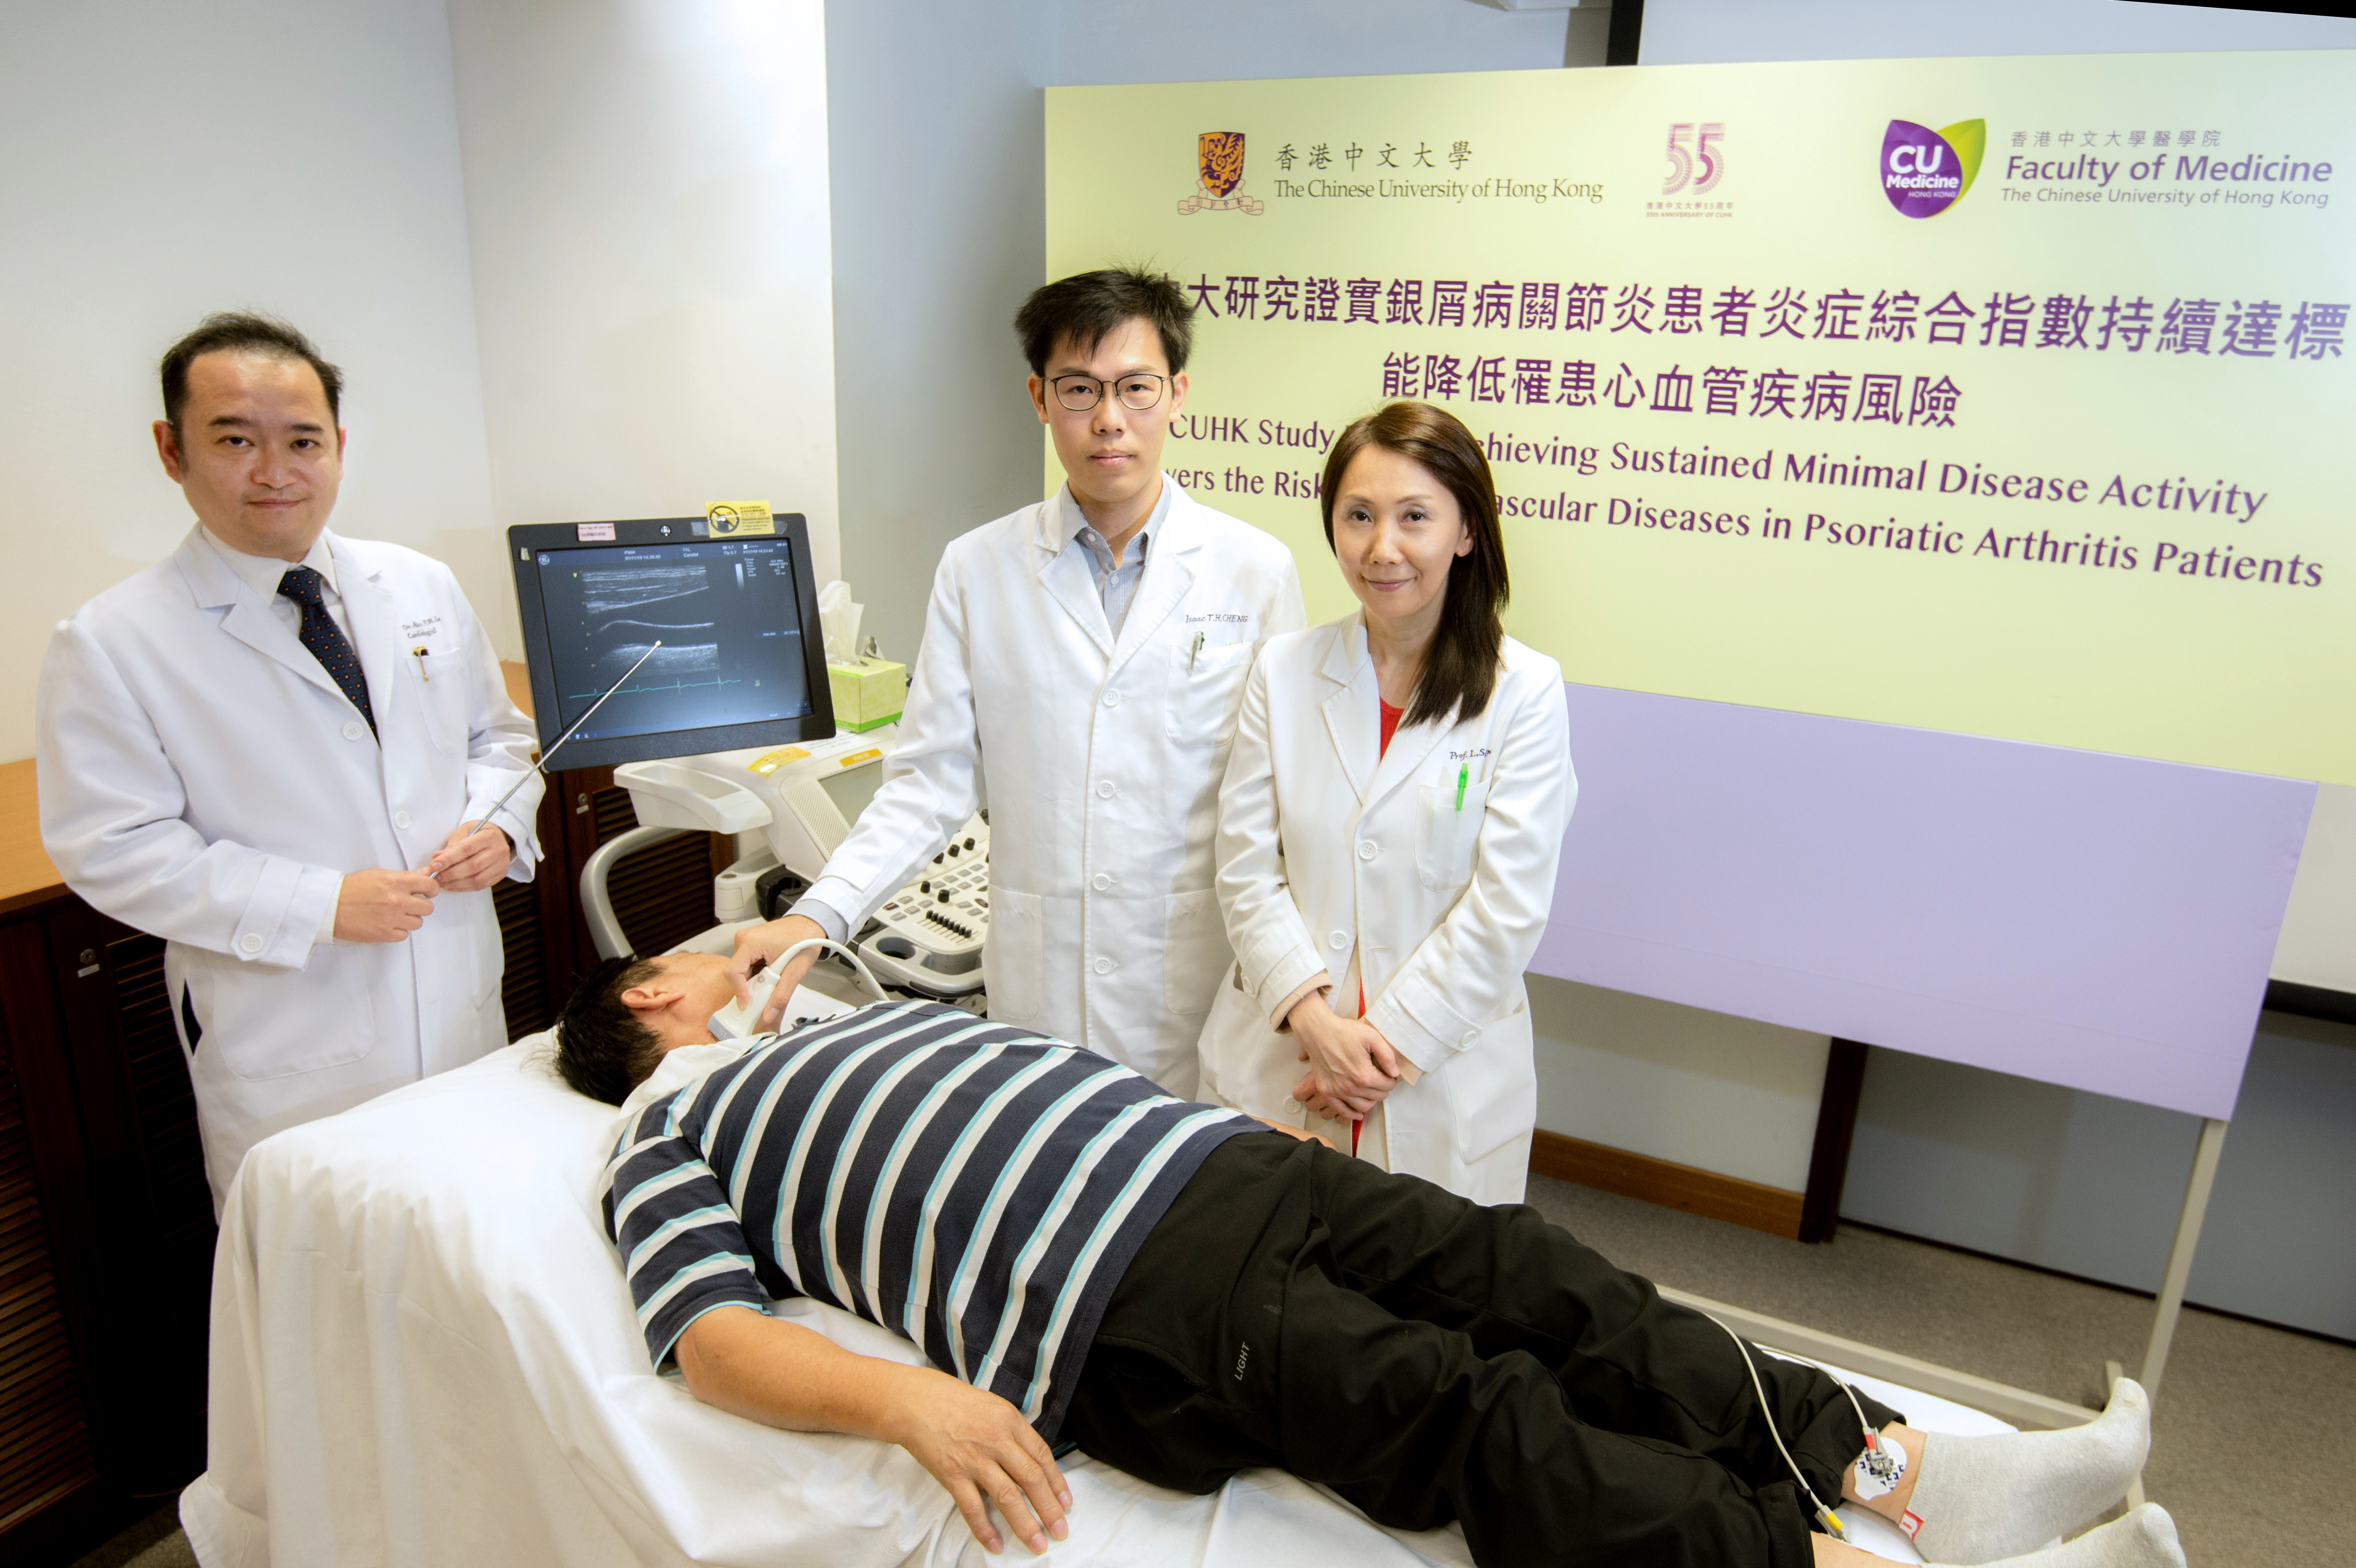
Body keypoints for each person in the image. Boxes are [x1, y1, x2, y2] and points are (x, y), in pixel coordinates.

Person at [558, 952, 2184, 1568]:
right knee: (1467, 1412)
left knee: (1553, 1285)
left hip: (1222, 1166)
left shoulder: (844, 1014)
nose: (741, 953)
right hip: (1125, 1301)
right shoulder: (670, 1133)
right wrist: (910, 1409)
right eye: (706, 955)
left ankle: (1895, 1471)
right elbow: (707, 1339)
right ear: (651, 1000)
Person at [722, 266, 1305, 1097]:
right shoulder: (977, 568)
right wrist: (820, 914)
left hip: (1195, 984)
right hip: (1044, 989)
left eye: (1136, 388)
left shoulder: (1255, 571)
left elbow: (1280, 810)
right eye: (1079, 389)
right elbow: (928, 782)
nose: (1109, 420)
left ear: (1177, 394)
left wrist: (1305, 992)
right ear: (1039, 397)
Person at [36, 311, 540, 1210]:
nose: (274, 472)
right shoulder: (114, 641)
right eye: (235, 439)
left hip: (461, 1002)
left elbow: (496, 740)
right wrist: (318, 904)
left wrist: (500, 826)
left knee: (474, 1247)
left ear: (338, 447)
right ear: (171, 448)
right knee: (328, 1285)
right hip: (296, 1045)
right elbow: (111, 849)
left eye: (302, 440)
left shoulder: (418, 585)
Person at [1197, 401, 1574, 1203]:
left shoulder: (1525, 693)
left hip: (1437, 1078)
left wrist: (1377, 1052)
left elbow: (1506, 909)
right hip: (1287, 1058)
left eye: (1415, 517)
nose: (1382, 548)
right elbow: (1244, 869)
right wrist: (1315, 1025)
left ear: (1467, 531)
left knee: (1423, 1308)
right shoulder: (1282, 670)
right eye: (1358, 516)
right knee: (1257, 1296)